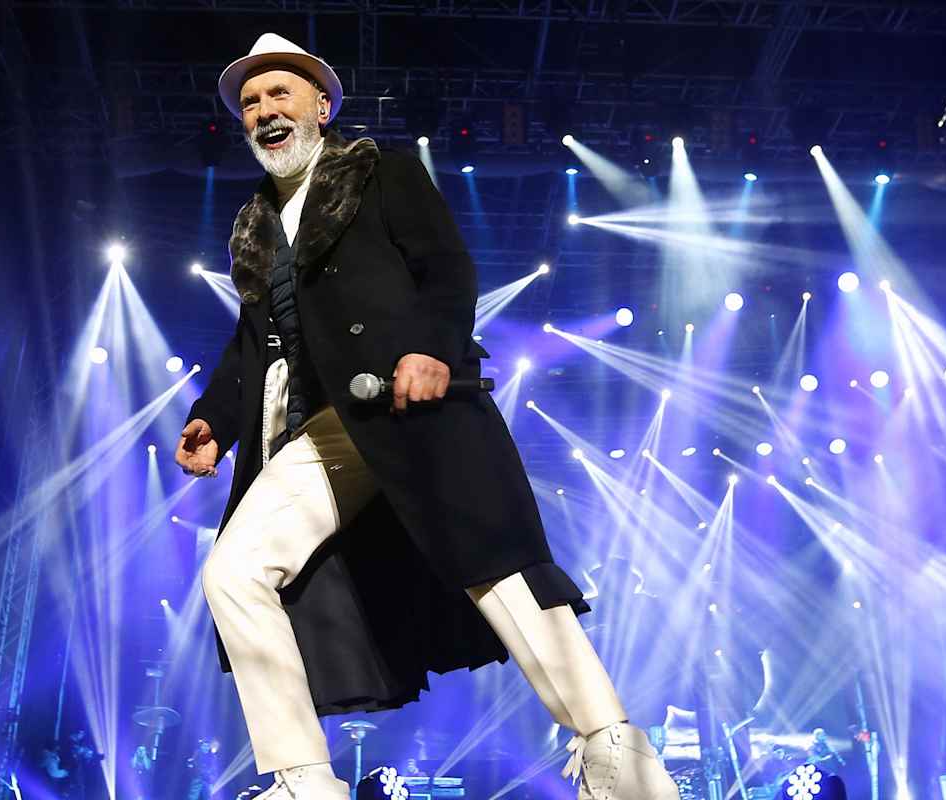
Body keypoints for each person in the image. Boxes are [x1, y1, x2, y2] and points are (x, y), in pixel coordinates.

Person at [174, 31, 683, 800]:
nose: (264, 110)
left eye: (280, 93)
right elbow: (254, 341)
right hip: (324, 433)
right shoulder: (256, 223)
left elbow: (447, 268)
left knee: (496, 569)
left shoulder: (380, 174)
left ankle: (615, 755)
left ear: (320, 106)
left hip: (410, 403)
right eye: (250, 102)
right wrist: (214, 417)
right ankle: (303, 779)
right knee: (234, 571)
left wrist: (431, 349)